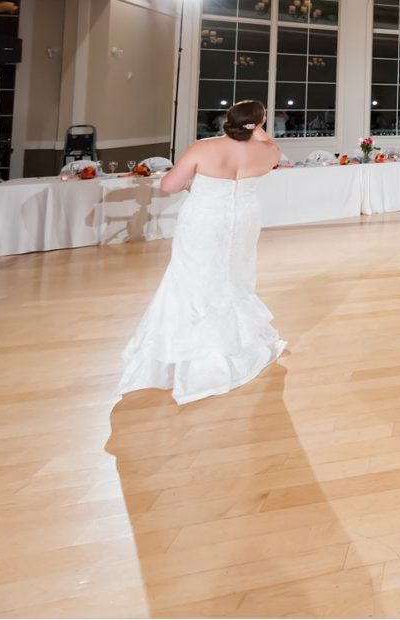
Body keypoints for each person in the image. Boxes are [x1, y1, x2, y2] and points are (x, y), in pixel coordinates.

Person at [117, 99, 287, 404]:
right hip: (244, 220)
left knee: (192, 277)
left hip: (205, 220)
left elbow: (169, 185)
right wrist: (259, 131)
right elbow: (270, 146)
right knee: (235, 276)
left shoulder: (204, 147)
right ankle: (235, 343)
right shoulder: (269, 152)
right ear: (259, 124)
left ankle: (192, 353)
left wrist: (188, 186)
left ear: (228, 119)